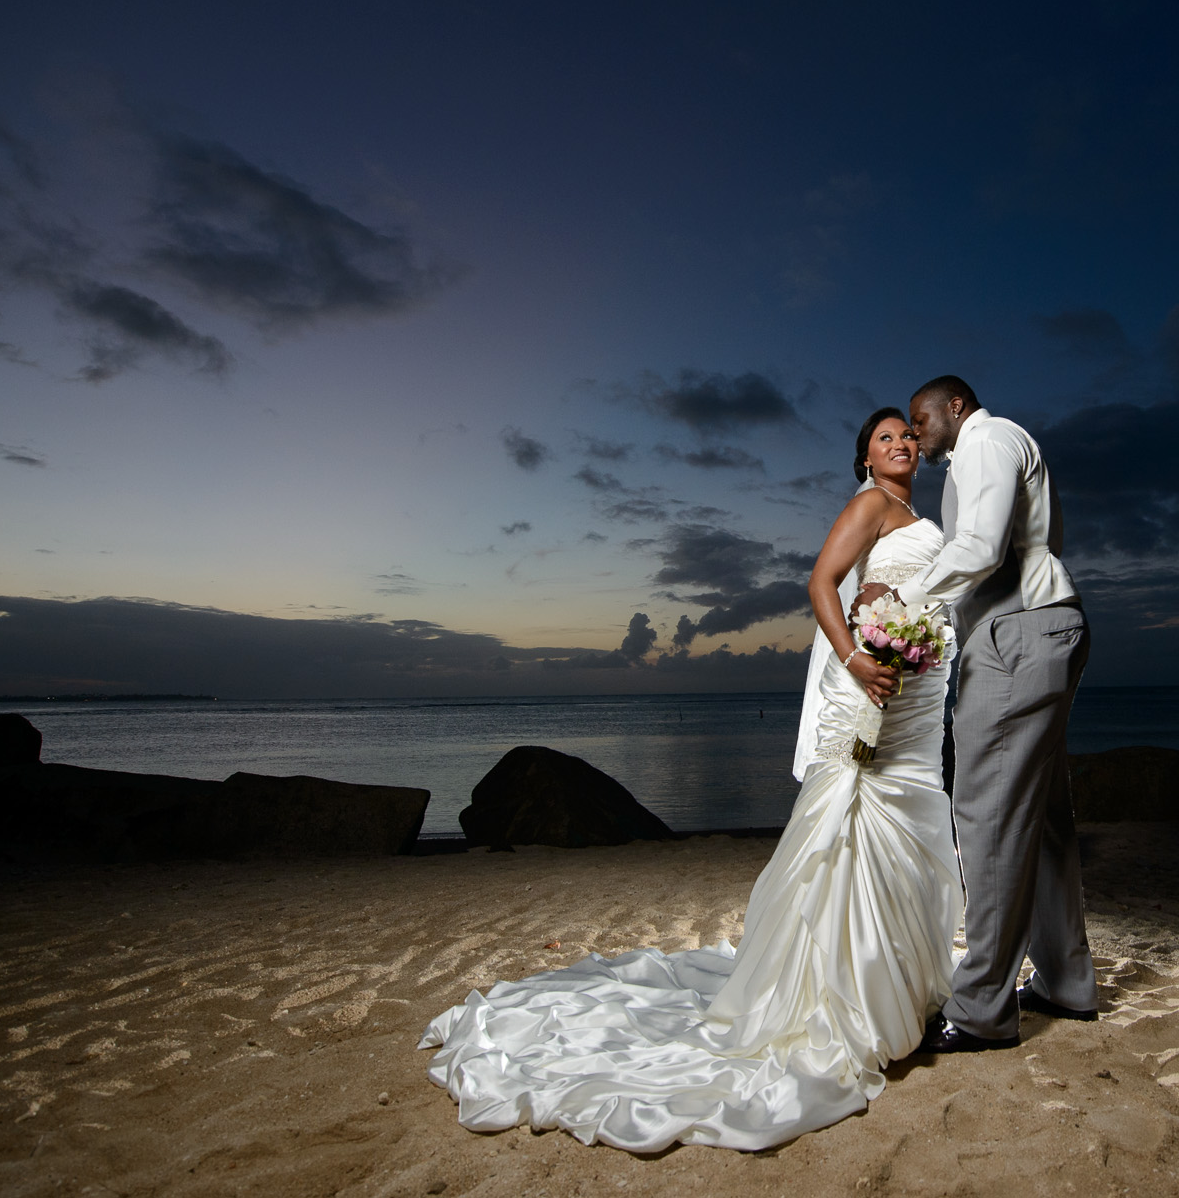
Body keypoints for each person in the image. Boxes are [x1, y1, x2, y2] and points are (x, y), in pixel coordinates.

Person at [420, 409, 962, 1152]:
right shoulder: (871, 504)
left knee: (905, 823)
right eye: (883, 438)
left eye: (906, 435)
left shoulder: (912, 511)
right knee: (851, 822)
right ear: (865, 460)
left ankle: (895, 982)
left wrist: (906, 631)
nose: (900, 443)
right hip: (874, 680)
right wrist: (855, 657)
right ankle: (848, 996)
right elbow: (821, 582)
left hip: (917, 693)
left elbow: (901, 589)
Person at [855, 375, 1096, 1053]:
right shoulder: (996, 445)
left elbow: (982, 548)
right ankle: (1065, 982)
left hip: (1019, 635)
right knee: (1043, 818)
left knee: (986, 813)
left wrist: (899, 594)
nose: (915, 432)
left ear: (954, 406)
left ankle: (984, 1007)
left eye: (920, 418)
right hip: (1044, 627)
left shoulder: (987, 440)